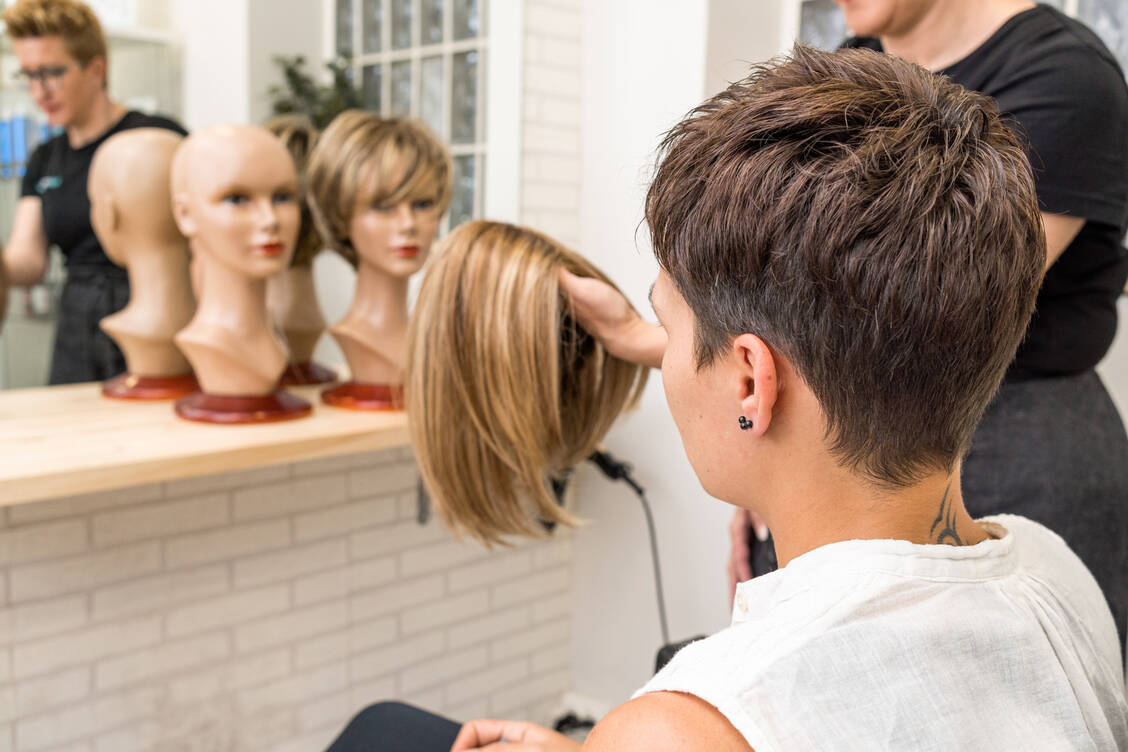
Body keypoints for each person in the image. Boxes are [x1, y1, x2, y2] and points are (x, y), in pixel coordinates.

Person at [326, 46, 1128, 751]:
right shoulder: (1055, 572)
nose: (666, 359)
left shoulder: (693, 723)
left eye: (667, 326)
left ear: (751, 382)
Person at [721, 0, 1128, 651]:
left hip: (1020, 431)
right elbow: (789, 285)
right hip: (850, 411)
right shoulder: (854, 68)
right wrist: (764, 461)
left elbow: (926, 302)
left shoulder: (1066, 76)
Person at [0, 0, 187, 385]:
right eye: (29, 75)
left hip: (155, 306)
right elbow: (27, 259)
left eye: (52, 73)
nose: (39, 91)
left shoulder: (156, 138)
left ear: (96, 69)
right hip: (76, 321)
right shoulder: (45, 159)